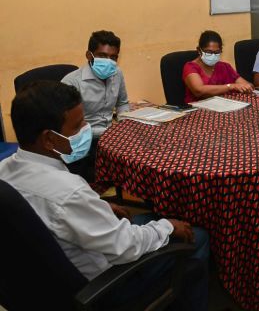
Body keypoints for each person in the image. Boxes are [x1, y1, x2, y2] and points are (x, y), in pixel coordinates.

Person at [0, 81, 209, 310]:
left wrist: (96, 206)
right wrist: (168, 226)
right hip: (106, 285)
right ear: (49, 139)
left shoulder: (4, 169)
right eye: (77, 126)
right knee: (196, 235)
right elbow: (126, 247)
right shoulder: (69, 192)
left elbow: (52, 210)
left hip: (38, 283)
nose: (86, 129)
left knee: (144, 219)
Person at [61, 30, 129, 181]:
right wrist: (109, 132)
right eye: (102, 56)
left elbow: (122, 103)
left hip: (110, 136)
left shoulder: (117, 73)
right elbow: (68, 126)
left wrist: (123, 125)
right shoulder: (72, 82)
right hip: (83, 141)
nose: (108, 61)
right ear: (89, 55)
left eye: (113, 57)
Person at [183, 30, 253, 103]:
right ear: (199, 50)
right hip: (198, 107)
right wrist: (230, 86)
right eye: (209, 52)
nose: (213, 55)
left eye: (217, 52)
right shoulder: (190, 67)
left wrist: (247, 87)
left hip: (224, 104)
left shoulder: (225, 67)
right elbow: (199, 90)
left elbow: (245, 84)